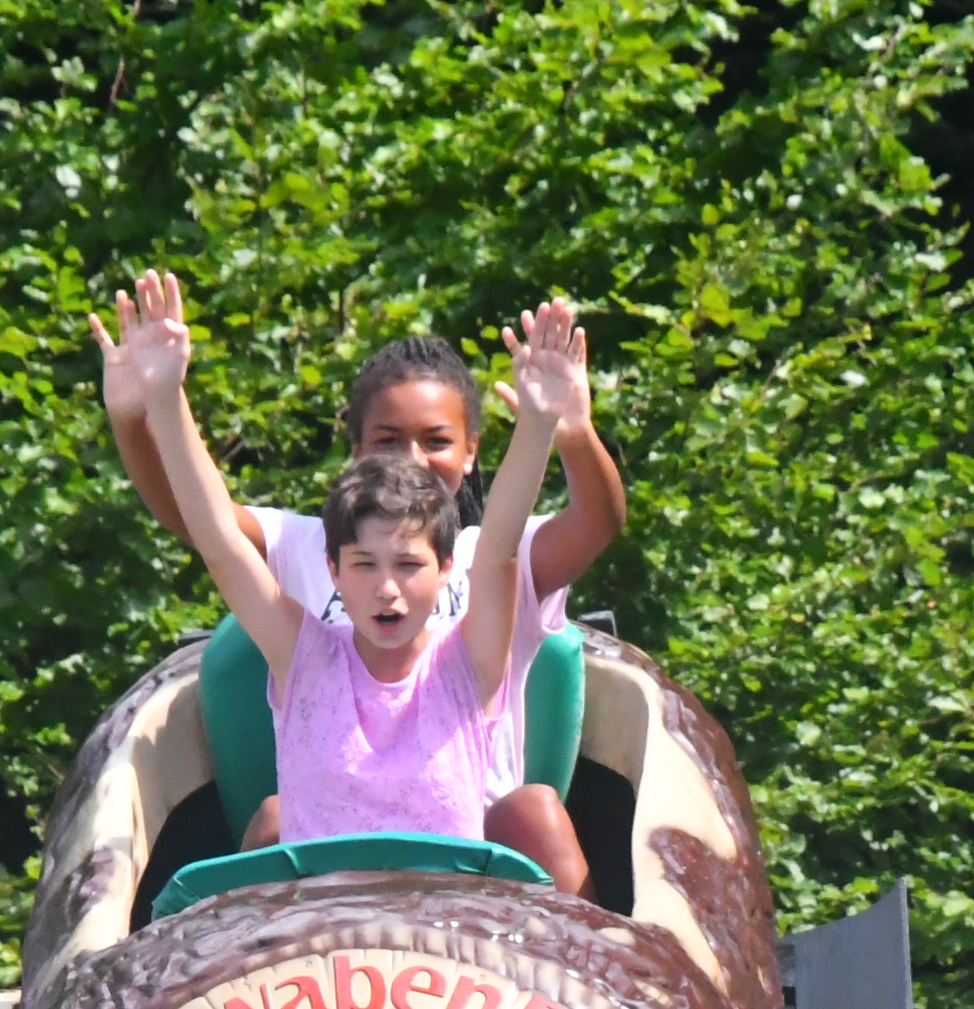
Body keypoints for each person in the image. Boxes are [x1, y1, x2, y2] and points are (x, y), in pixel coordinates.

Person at [117, 272, 592, 896]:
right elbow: (220, 542)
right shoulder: (305, 657)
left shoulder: (466, 670)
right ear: (334, 570)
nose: (387, 589)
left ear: (447, 570)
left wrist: (537, 423)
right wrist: (165, 400)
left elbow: (500, 549)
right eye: (365, 566)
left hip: (449, 954)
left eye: (409, 566)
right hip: (321, 957)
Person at [96, 311, 630, 639]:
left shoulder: (492, 558)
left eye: (437, 441)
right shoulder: (305, 548)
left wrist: (571, 431)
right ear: (357, 452)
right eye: (388, 440)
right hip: (334, 809)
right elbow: (201, 521)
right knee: (270, 820)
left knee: (535, 810)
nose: (412, 459)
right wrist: (135, 418)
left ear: (471, 453)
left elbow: (596, 523)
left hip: (471, 814)